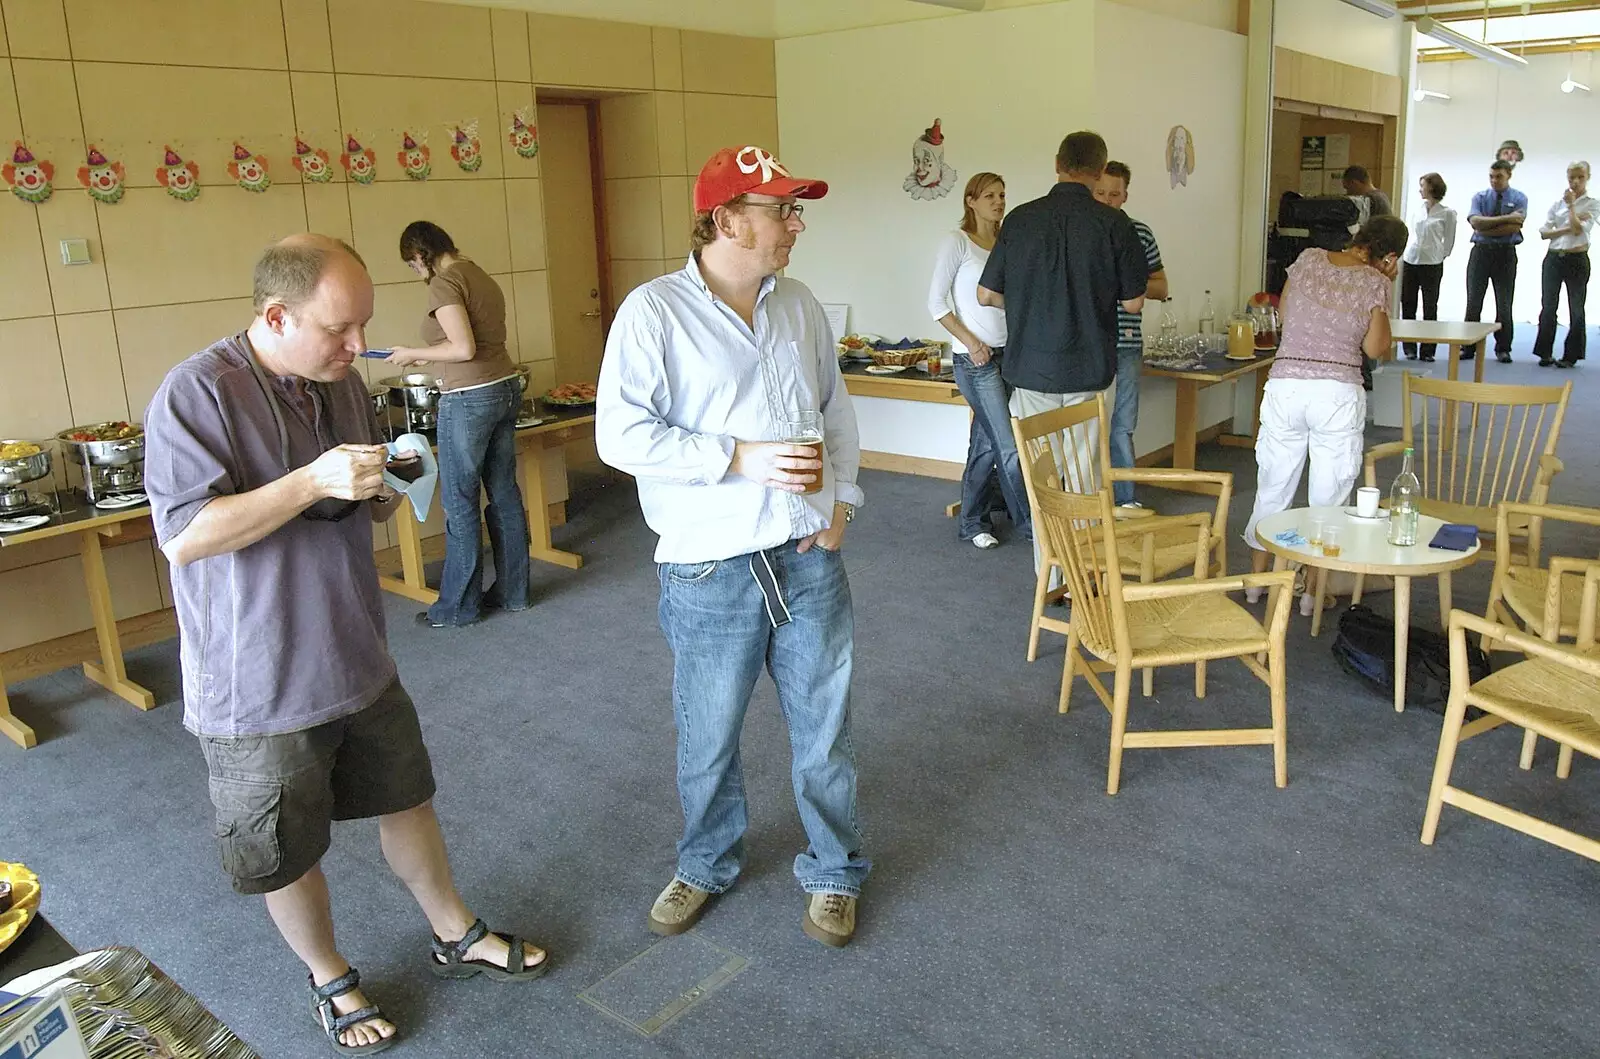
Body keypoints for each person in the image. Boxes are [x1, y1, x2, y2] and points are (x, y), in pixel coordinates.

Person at [144, 235, 549, 1055]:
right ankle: (329, 975)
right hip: (255, 678)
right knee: (285, 843)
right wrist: (312, 481)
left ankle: (455, 930)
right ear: (275, 315)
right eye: (340, 329)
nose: (357, 347)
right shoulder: (196, 393)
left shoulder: (342, 384)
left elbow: (361, 509)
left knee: (408, 795)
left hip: (356, 648)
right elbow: (183, 536)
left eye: (363, 326)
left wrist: (400, 475)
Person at [595, 145, 870, 949]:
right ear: (725, 221)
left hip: (810, 554)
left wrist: (842, 503)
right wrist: (735, 455)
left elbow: (837, 410)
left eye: (796, 207)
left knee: (826, 728)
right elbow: (620, 434)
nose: (796, 223)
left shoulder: (800, 304)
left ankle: (834, 869)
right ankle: (706, 861)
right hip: (710, 567)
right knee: (707, 734)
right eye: (781, 209)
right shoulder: (652, 312)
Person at [976, 130, 1147, 519]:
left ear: (1057, 164)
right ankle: (1080, 576)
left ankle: (1048, 569)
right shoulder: (1114, 223)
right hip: (1089, 368)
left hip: (1031, 369)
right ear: (1101, 170)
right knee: (1085, 478)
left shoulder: (1019, 219)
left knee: (1044, 483)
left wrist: (1024, 304)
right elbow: (1134, 303)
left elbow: (985, 294)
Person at [1243, 217, 1408, 610]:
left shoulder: (1307, 259)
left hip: (1286, 384)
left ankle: (1256, 584)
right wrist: (1385, 285)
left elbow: (1283, 315)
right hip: (1336, 394)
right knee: (1327, 500)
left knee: (1272, 487)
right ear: (1390, 256)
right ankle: (1311, 597)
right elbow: (1376, 347)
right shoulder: (1375, 283)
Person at [386, 221, 529, 628]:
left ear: (420, 254)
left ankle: (458, 608)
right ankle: (514, 594)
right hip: (504, 387)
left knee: (460, 502)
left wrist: (411, 353)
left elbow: (463, 348)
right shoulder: (478, 274)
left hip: (468, 397)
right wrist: (424, 355)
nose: (417, 273)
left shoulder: (445, 282)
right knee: (503, 493)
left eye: (413, 266)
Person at [928, 171, 1032, 548]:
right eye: (989, 195)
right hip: (976, 361)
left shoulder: (1007, 242)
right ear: (971, 201)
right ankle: (1033, 527)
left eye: (1002, 194)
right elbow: (936, 305)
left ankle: (972, 521)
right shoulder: (957, 242)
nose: (998, 201)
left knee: (986, 443)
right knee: (1008, 445)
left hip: (1009, 355)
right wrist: (972, 343)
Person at [1093, 160, 1168, 509]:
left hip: (1126, 342)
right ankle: (1086, 500)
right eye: (1101, 192)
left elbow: (1161, 285)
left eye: (1114, 194)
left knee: (1121, 425)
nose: (1107, 200)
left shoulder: (1139, 232)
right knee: (1083, 424)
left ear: (1125, 196)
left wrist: (1127, 285)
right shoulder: (1081, 231)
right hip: (1088, 343)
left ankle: (1126, 499)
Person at [1462, 160, 1528, 362]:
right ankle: (1469, 346)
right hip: (1481, 253)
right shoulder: (1480, 197)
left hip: (1505, 254)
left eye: (1499, 176)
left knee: (1504, 303)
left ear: (1509, 175)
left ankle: (1503, 348)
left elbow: (1514, 227)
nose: (1494, 180)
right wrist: (1505, 219)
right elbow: (1475, 222)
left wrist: (1486, 226)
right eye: (1491, 176)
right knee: (1474, 301)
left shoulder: (1519, 198)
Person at [1532, 160, 1594, 368]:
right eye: (1571, 177)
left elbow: (1579, 229)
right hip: (1553, 258)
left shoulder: (1592, 203)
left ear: (1588, 177)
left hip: (1577, 259)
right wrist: (1567, 226)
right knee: (1548, 306)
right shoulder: (1556, 204)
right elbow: (1543, 233)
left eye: (1580, 177)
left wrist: (1571, 207)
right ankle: (1544, 353)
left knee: (1576, 308)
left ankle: (1571, 355)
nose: (1575, 182)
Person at [1399, 172, 1457, 362]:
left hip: (1431, 263)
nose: (1420, 189)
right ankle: (1409, 347)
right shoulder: (1418, 209)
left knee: (1430, 306)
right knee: (1408, 303)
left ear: (1432, 187)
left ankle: (1428, 350)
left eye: (1422, 185)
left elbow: (1449, 241)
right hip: (1412, 259)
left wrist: (1440, 255)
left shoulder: (1447, 213)